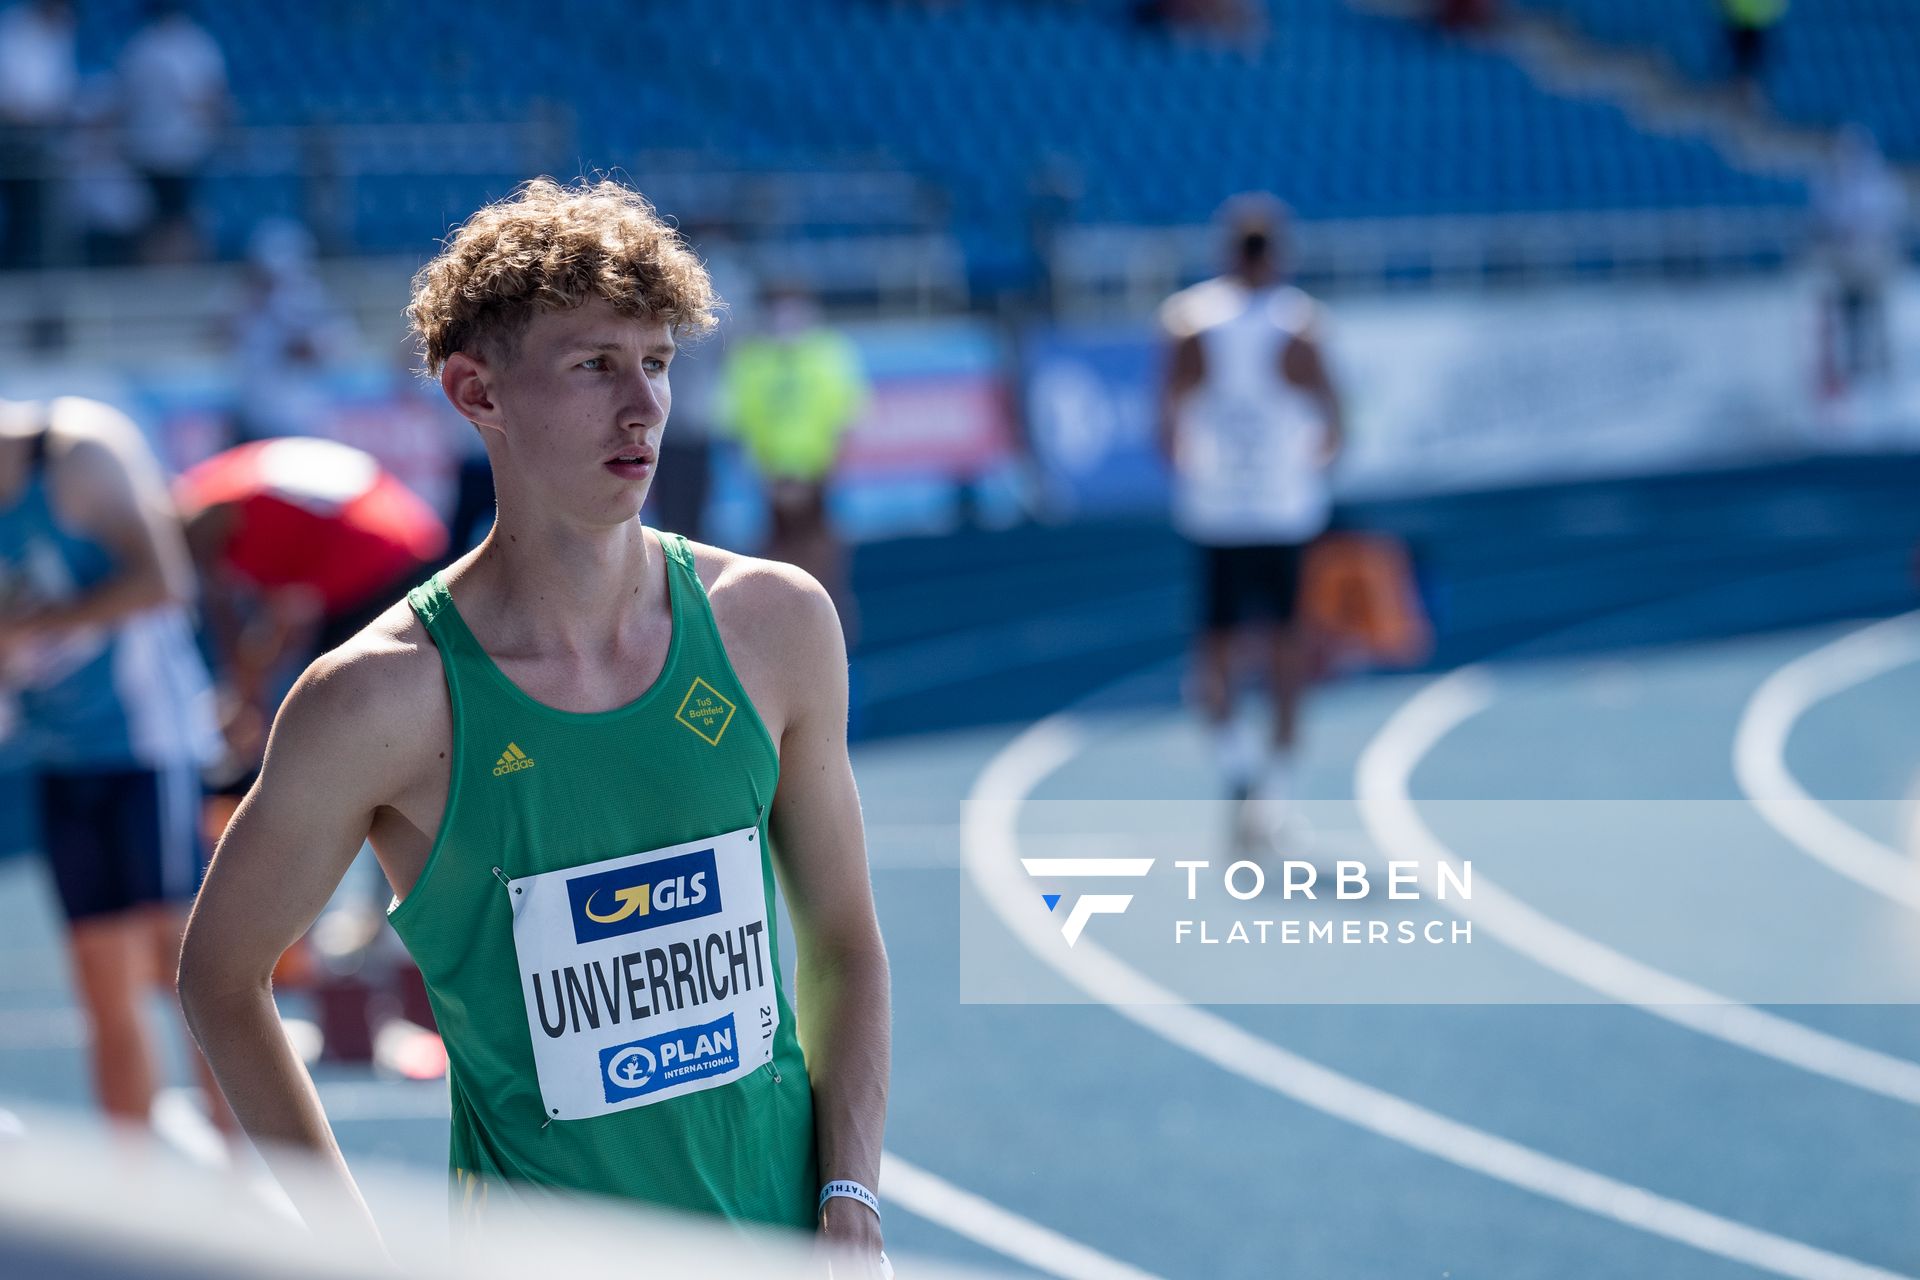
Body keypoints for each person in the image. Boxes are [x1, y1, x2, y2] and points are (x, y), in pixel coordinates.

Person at [178, 179, 892, 1272]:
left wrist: (851, 1195)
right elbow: (220, 976)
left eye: (655, 362)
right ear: (478, 391)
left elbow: (844, 940)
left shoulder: (776, 624)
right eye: (593, 364)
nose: (644, 406)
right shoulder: (378, 699)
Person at [0, 395, 231, 1136]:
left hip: (144, 744)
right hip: (54, 756)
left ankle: (256, 1180)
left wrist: (31, 623)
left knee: (190, 978)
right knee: (100, 987)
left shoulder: (76, 452)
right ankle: (130, 1200)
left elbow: (165, 581)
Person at [1156, 195, 1343, 852]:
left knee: (1215, 649)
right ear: (1279, 252)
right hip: (1283, 510)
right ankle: (1277, 787)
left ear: (1227, 250)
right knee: (1288, 647)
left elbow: (1163, 427)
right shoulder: (1300, 326)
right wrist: (1295, 466)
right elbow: (1335, 425)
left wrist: (1205, 466)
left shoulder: (1188, 323)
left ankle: (1237, 764)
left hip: (1215, 509)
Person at [173, 435, 448, 827]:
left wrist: (248, 698)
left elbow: (280, 625)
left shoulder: (246, 520)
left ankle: (342, 810)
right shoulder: (213, 489)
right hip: (407, 536)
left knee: (326, 696)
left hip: (385, 565)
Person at [722, 283, 867, 624]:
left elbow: (846, 415)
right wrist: (763, 473)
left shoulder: (831, 353)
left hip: (819, 473)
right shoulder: (750, 359)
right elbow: (737, 422)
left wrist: (825, 469)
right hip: (770, 476)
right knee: (775, 551)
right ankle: (783, 619)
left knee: (823, 546)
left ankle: (830, 618)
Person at [115, 0, 228, 263]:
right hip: (171, 146)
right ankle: (168, 272)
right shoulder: (192, 44)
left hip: (164, 145)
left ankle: (169, 271)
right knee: (170, 218)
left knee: (168, 217)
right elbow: (211, 99)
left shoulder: (143, 46)